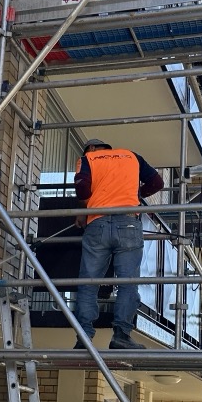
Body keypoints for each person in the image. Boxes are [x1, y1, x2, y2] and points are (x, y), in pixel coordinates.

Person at [73, 138, 163, 349]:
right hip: (128, 223)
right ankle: (121, 335)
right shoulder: (132, 156)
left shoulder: (88, 158)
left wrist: (85, 208)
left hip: (98, 223)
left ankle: (84, 337)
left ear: (92, 148)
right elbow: (157, 183)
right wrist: (136, 194)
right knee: (127, 282)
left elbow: (82, 188)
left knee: (89, 283)